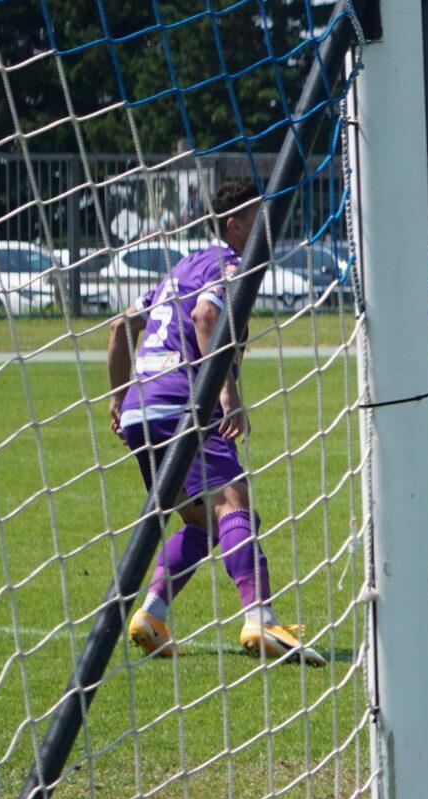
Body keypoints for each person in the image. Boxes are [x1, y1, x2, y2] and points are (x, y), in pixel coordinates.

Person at [110, 179, 322, 665]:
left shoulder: (182, 267)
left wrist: (120, 401)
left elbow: (121, 325)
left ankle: (152, 615)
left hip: (144, 409)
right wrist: (225, 391)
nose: (270, 229)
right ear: (234, 226)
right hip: (183, 401)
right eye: (259, 220)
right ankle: (260, 618)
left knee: (205, 522)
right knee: (233, 503)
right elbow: (207, 318)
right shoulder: (229, 265)